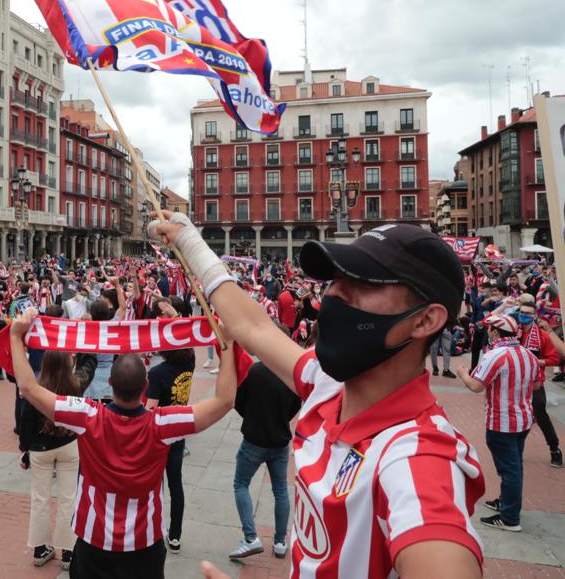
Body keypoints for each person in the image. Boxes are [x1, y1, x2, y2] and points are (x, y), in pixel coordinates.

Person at [151, 214, 484, 579]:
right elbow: (252, 326)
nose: (335, 293)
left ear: (424, 321)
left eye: (363, 282)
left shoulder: (416, 458)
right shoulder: (327, 383)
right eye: (338, 278)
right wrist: (189, 241)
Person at [9, 306, 236, 579]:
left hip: (94, 542)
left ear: (111, 382)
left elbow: (29, 388)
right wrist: (228, 345)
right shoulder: (162, 424)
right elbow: (224, 401)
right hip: (144, 544)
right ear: (145, 387)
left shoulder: (87, 415)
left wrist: (14, 336)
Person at [456, 313, 537, 532]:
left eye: (490, 329)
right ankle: (506, 501)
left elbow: (476, 385)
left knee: (509, 469)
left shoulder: (495, 354)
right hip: (524, 418)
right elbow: (537, 385)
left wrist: (463, 373)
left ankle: (510, 518)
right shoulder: (528, 354)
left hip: (501, 421)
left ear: (495, 331)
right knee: (514, 464)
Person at [229, 362, 302, 560]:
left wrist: (252, 417)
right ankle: (279, 542)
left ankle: (251, 538)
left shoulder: (255, 371)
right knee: (280, 491)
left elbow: (239, 399)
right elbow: (296, 403)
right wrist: (280, 419)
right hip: (279, 441)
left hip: (254, 440)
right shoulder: (289, 373)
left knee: (240, 484)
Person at [19, 352, 81, 570]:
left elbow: (25, 421)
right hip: (69, 445)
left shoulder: (37, 388)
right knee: (68, 498)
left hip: (40, 447)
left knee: (40, 498)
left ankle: (39, 549)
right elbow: (89, 366)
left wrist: (24, 450)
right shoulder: (75, 386)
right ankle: (68, 552)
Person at [144, 344, 195, 554]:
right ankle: (175, 535)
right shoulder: (190, 364)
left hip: (159, 435)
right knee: (176, 483)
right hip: (179, 430)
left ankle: (153, 529)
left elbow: (150, 408)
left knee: (153, 485)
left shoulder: (157, 373)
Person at [508, 294, 564, 467]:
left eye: (528, 313)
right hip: (514, 382)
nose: (524, 316)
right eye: (522, 312)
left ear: (534, 316)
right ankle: (517, 450)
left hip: (534, 382)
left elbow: (554, 358)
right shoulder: (511, 331)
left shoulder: (542, 336)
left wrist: (537, 361)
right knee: (516, 417)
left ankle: (554, 449)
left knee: (540, 415)